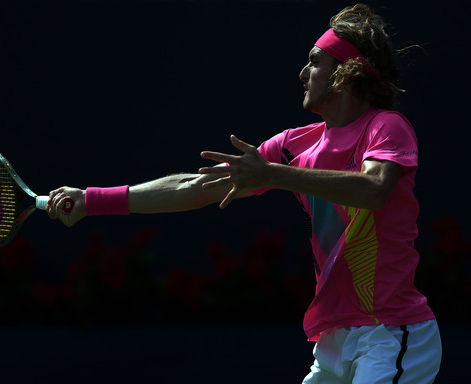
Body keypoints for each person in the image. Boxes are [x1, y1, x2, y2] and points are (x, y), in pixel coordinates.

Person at [46, 4, 441, 383]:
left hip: (390, 333)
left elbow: (374, 189)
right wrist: (92, 199)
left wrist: (278, 175)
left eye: (315, 61)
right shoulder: (293, 146)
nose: (303, 73)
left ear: (345, 73)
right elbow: (196, 187)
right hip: (336, 341)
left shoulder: (386, 126)